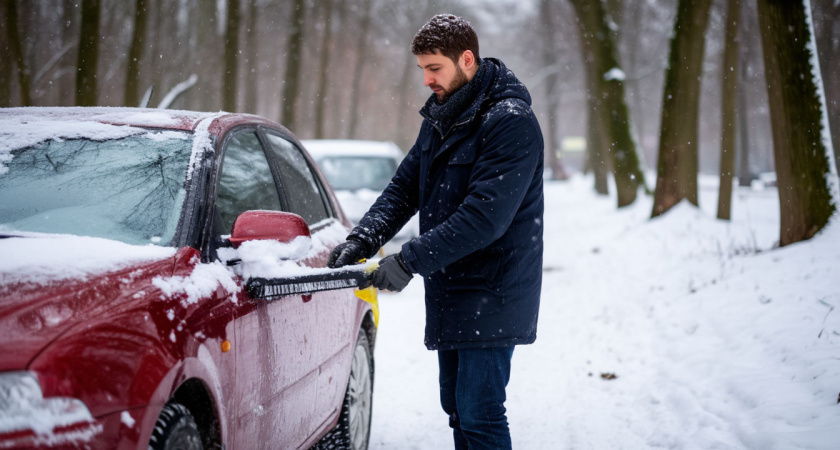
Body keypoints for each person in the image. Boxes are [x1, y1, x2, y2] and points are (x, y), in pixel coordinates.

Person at [328, 14, 543, 450]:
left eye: (434, 68)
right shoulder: (443, 117)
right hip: (453, 288)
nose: (426, 80)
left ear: (467, 59)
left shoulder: (510, 121)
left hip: (494, 291)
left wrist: (408, 261)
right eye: (422, 69)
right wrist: (363, 238)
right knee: (457, 409)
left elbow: (485, 217)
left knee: (480, 413)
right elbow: (405, 187)